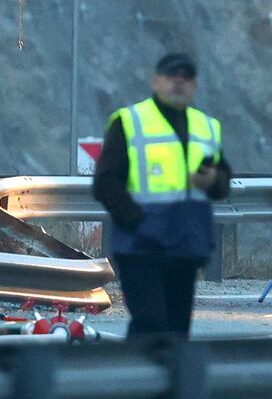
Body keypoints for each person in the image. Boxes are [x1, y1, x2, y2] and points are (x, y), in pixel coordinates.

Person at [93, 52, 232, 338]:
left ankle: (170, 382)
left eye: (186, 78)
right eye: (172, 77)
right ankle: (133, 380)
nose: (178, 83)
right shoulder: (130, 121)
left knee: (177, 330)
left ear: (194, 85)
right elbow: (106, 183)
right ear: (156, 81)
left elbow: (223, 182)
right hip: (141, 247)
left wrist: (212, 179)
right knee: (150, 325)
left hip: (185, 246)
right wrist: (139, 222)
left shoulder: (205, 126)